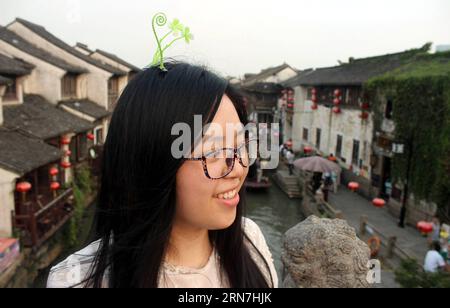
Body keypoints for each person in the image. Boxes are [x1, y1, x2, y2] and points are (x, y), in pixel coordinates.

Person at [47, 62, 277, 288]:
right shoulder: (76, 280)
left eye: (241, 146)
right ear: (152, 161)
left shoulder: (250, 241)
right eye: (214, 151)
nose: (237, 169)